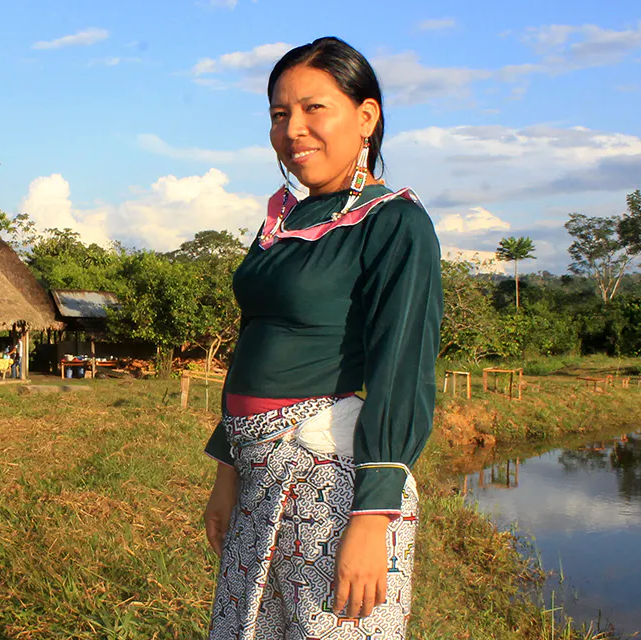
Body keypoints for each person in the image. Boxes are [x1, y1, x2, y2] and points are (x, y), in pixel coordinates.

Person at [203, 37, 442, 640]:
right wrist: (227, 468)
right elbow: (253, 336)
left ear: (366, 117)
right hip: (258, 468)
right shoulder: (284, 219)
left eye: (314, 109)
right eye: (279, 115)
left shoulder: (393, 222)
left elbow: (402, 366)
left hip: (326, 472)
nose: (293, 130)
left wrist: (371, 517)